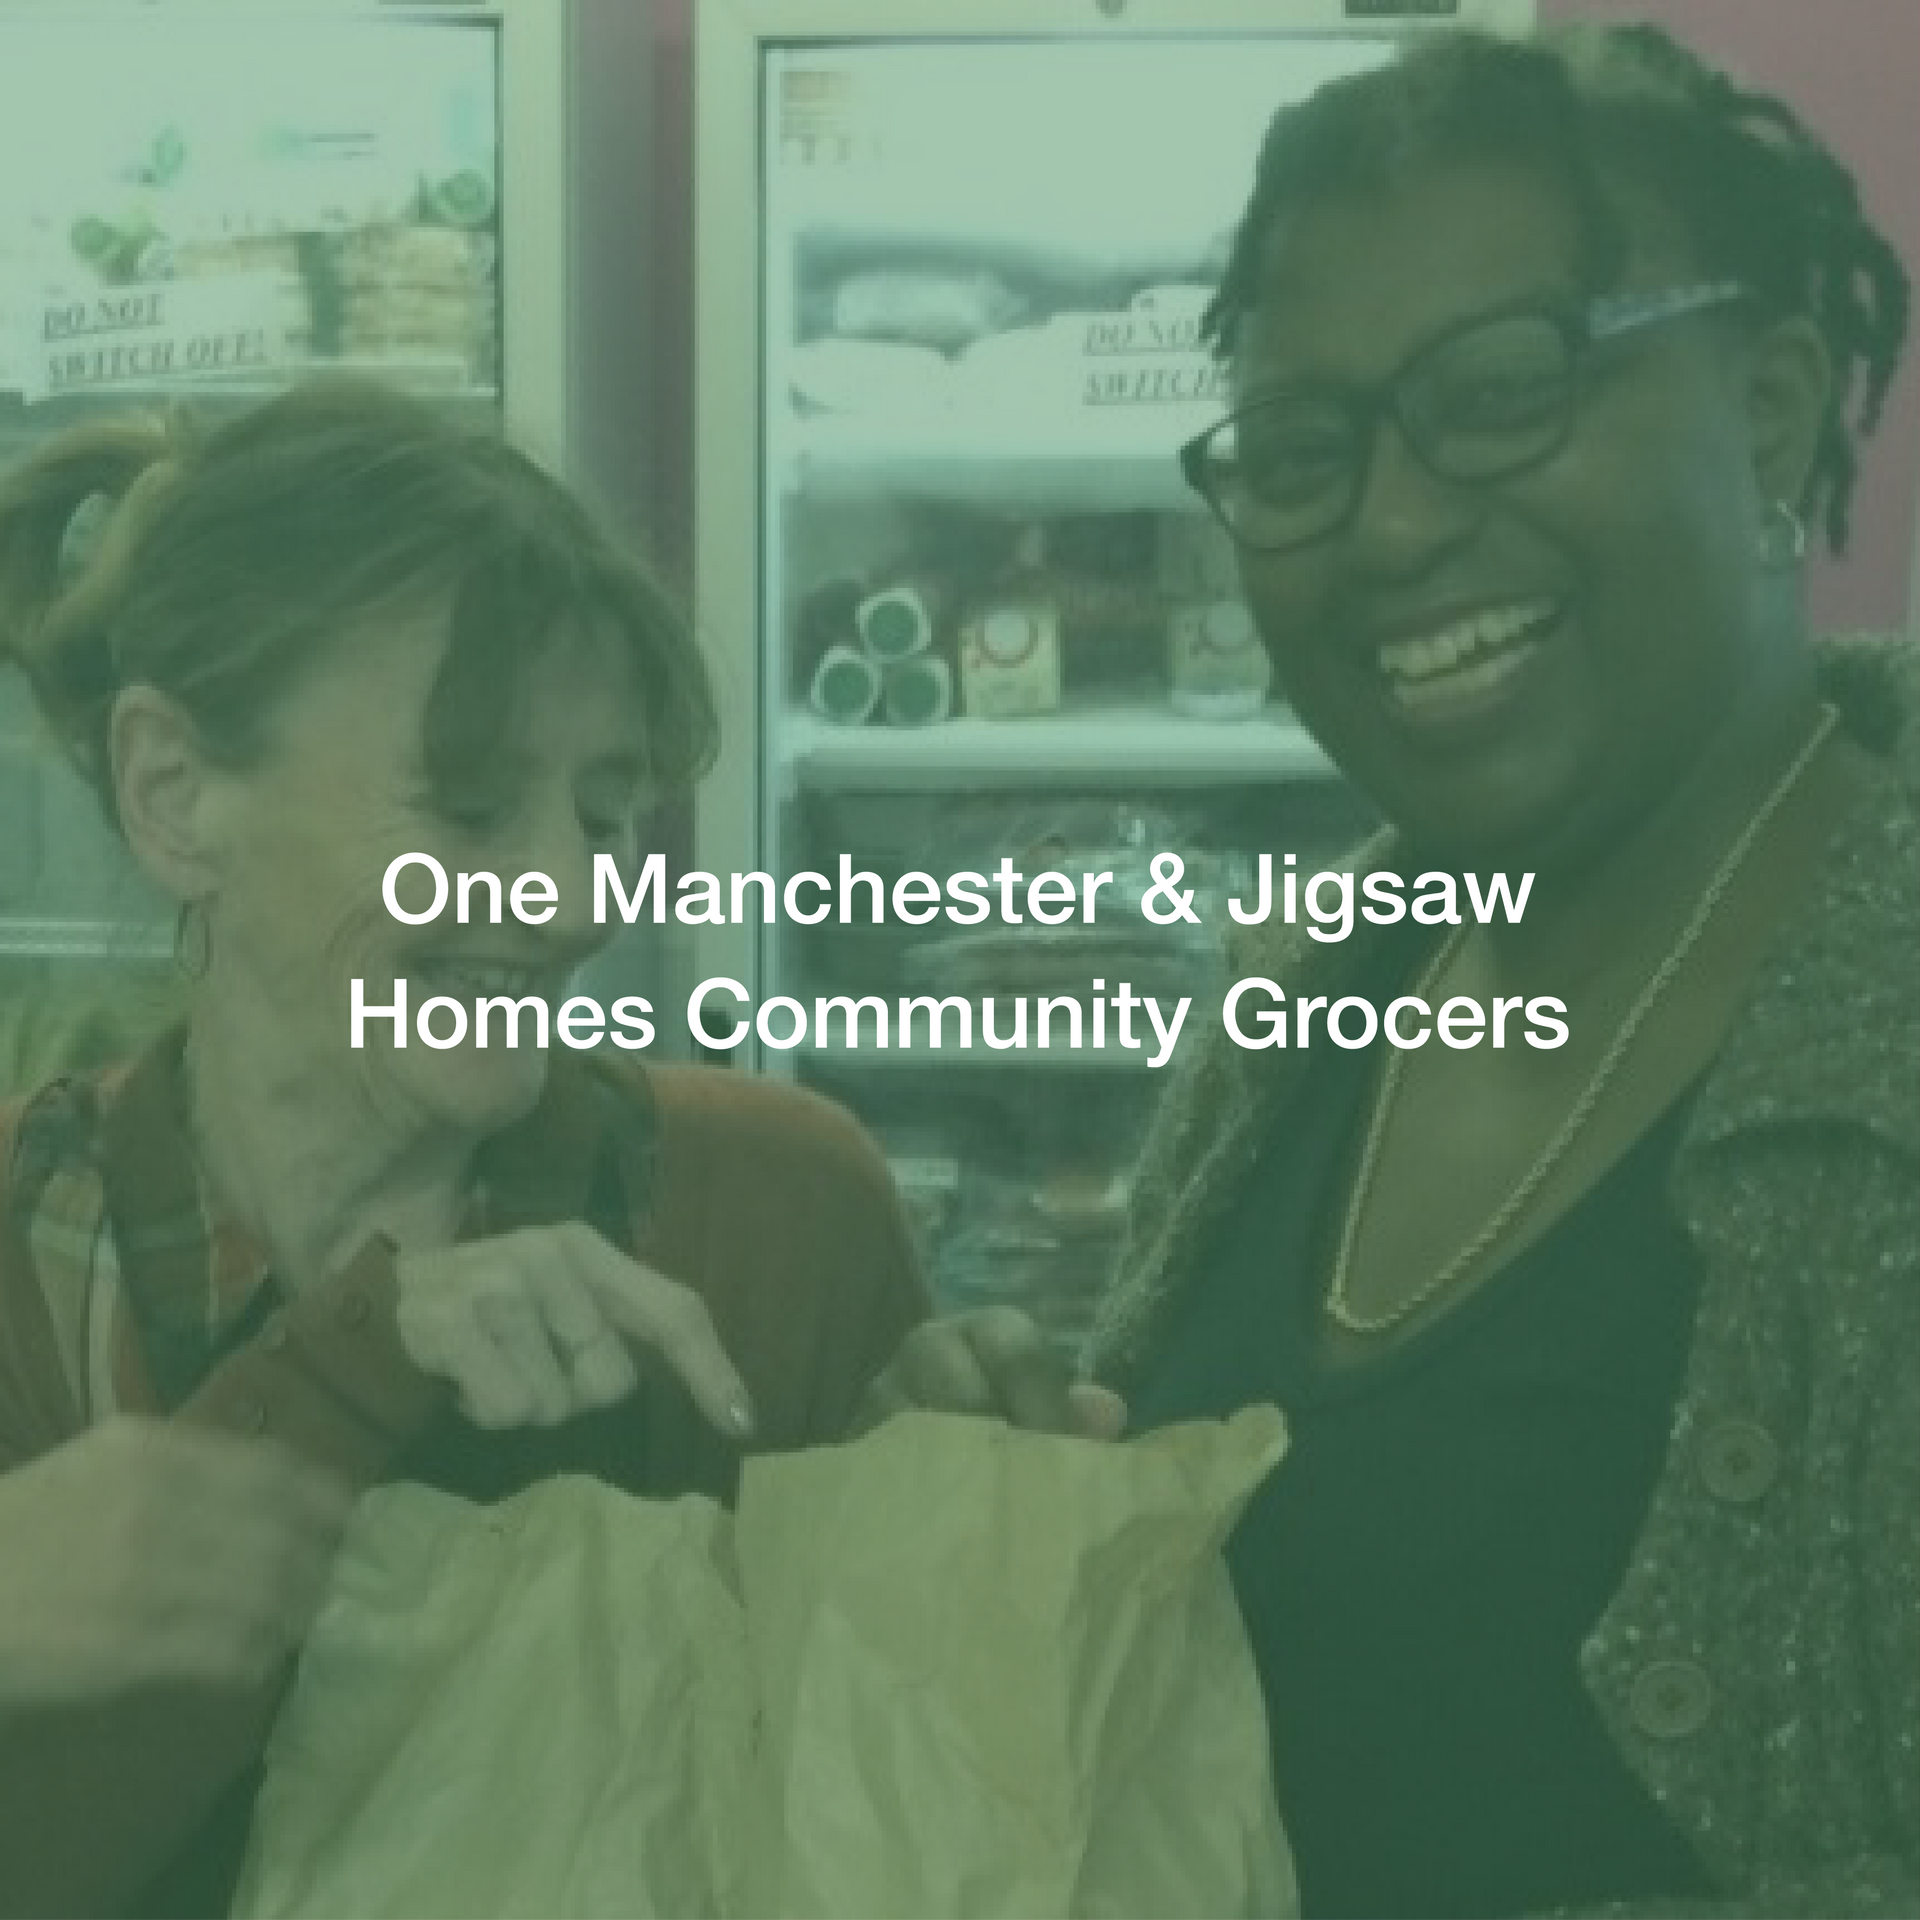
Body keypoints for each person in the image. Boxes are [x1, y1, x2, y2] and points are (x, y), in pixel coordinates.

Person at [863, 22, 1918, 1919]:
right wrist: (1025, 1521)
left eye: (1505, 392)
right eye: (1301, 451)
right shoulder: (1297, 999)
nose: (1397, 522)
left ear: (1770, 412)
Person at [0, 380, 929, 1920]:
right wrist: (353, 1360)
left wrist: (981, 1487)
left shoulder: (780, 1215)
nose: (568, 899)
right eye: (472, 805)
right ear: (174, 794)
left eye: (606, 815)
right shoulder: (27, 1273)